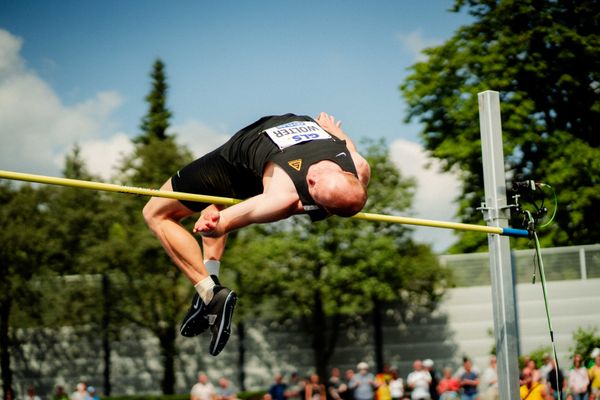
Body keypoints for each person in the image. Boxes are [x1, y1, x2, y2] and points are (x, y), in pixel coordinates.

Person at [143, 112, 370, 356]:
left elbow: (220, 225)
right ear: (347, 173)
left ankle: (209, 291)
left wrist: (214, 223)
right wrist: (334, 130)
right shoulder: (358, 166)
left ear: (311, 184)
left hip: (235, 165)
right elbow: (347, 147)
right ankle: (209, 288)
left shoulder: (280, 196)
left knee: (156, 213)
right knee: (214, 202)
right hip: (265, 163)